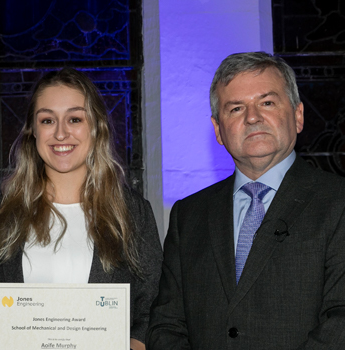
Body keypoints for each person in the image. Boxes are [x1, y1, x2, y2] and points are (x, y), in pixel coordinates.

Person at [147, 52, 345, 349]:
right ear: (218, 130)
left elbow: (340, 319)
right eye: (236, 108)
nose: (252, 117)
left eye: (267, 103)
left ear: (298, 115)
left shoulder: (338, 201)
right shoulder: (188, 216)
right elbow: (166, 325)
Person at [0, 68, 163, 350]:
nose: (61, 133)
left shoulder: (131, 212)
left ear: (96, 127)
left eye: (75, 119)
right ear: (33, 131)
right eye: (48, 120)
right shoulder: (0, 210)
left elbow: (153, 306)